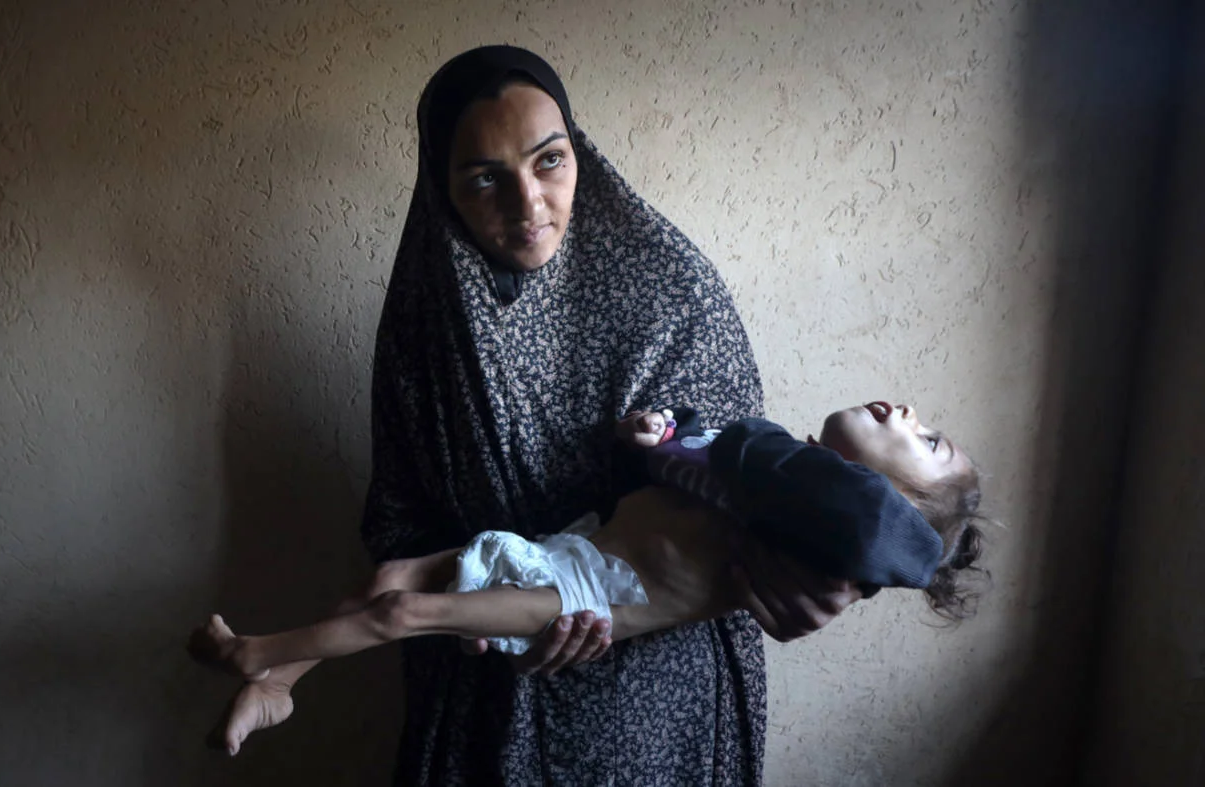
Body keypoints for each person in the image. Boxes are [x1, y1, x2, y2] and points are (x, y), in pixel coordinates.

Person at [220, 45, 862, 784]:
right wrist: (485, 611)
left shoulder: (674, 297)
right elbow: (398, 520)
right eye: (484, 179)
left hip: (655, 696)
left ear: (578, 153)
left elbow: (750, 497)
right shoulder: (426, 327)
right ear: (442, 190)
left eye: (549, 161)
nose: (527, 205)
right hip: (488, 692)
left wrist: (802, 589)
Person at [189, 400, 988, 755]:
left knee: (403, 608)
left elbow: (869, 524)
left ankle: (255, 652)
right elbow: (698, 452)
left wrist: (928, 549)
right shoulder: (781, 473)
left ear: (905, 507)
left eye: (929, 442)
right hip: (567, 551)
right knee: (392, 575)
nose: (908, 412)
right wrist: (657, 432)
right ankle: (280, 684)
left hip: (587, 597)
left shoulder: (824, 530)